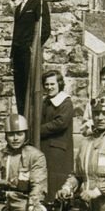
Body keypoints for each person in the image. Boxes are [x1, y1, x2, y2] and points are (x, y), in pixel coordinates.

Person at [11, 0, 51, 116]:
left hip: (30, 53)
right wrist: (12, 56)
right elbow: (16, 33)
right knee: (19, 89)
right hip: (18, 54)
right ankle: (22, 120)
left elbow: (45, 30)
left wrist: (33, 47)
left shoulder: (38, 3)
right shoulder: (18, 8)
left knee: (30, 88)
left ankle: (31, 120)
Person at [39, 70, 74, 198]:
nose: (49, 87)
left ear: (59, 84)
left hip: (58, 150)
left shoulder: (65, 102)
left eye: (52, 84)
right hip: (45, 147)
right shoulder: (45, 101)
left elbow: (60, 123)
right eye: (46, 84)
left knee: (56, 182)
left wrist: (38, 130)